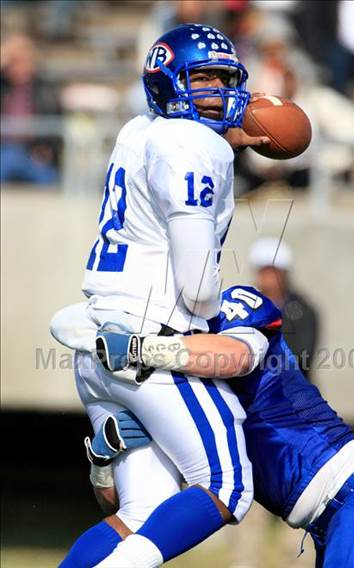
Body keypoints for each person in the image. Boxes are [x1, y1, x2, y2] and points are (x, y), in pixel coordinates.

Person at [51, 22, 270, 568]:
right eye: (203, 79)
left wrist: (221, 138)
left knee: (143, 512)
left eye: (225, 80)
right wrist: (219, 319)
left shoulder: (138, 131)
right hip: (153, 346)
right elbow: (197, 290)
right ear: (167, 81)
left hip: (99, 343)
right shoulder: (195, 144)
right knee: (227, 483)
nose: (218, 93)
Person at [87, 284, 354, 568]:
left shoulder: (227, 312)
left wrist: (140, 349)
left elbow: (236, 356)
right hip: (324, 518)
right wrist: (101, 464)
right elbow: (136, 511)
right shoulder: (161, 383)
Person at [249, 237, 319, 380]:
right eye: (265, 271)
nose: (269, 278)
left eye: (274, 271)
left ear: (284, 273)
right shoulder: (246, 306)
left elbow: (302, 354)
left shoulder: (302, 311)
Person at [0, 33, 62, 184]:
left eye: (21, 61)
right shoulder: (4, 85)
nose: (17, 67)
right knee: (10, 159)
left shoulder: (46, 87)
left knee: (49, 179)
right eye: (12, 62)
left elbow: (55, 125)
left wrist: (45, 151)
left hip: (34, 153)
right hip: (5, 151)